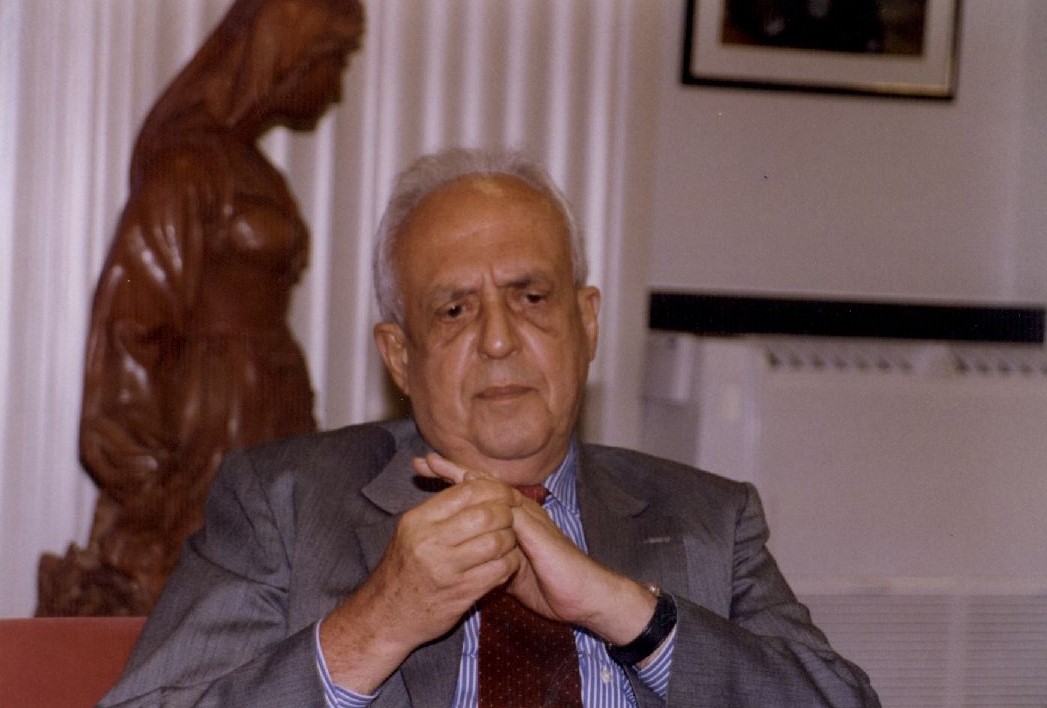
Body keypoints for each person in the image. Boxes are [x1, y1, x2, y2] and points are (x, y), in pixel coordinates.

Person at [101, 148, 880, 706]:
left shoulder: (709, 518)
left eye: (531, 298)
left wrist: (622, 611)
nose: (499, 340)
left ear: (586, 324)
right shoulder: (285, 502)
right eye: (454, 309)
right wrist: (377, 623)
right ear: (399, 356)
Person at [38, 0, 364, 616]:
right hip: (208, 423)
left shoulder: (255, 172)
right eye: (334, 61)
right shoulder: (188, 170)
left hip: (268, 409)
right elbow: (130, 326)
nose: (338, 86)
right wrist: (143, 480)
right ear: (286, 55)